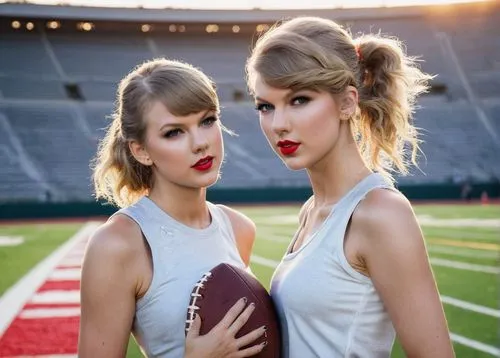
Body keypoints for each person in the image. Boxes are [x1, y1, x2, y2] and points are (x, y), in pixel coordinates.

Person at [246, 17, 455, 358]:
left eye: (299, 100)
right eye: (265, 106)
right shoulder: (312, 210)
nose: (278, 124)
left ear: (346, 102)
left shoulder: (381, 213)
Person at [78, 58, 267, 357]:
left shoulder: (238, 227)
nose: (200, 143)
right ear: (141, 151)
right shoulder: (118, 244)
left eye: (207, 121)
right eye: (174, 132)